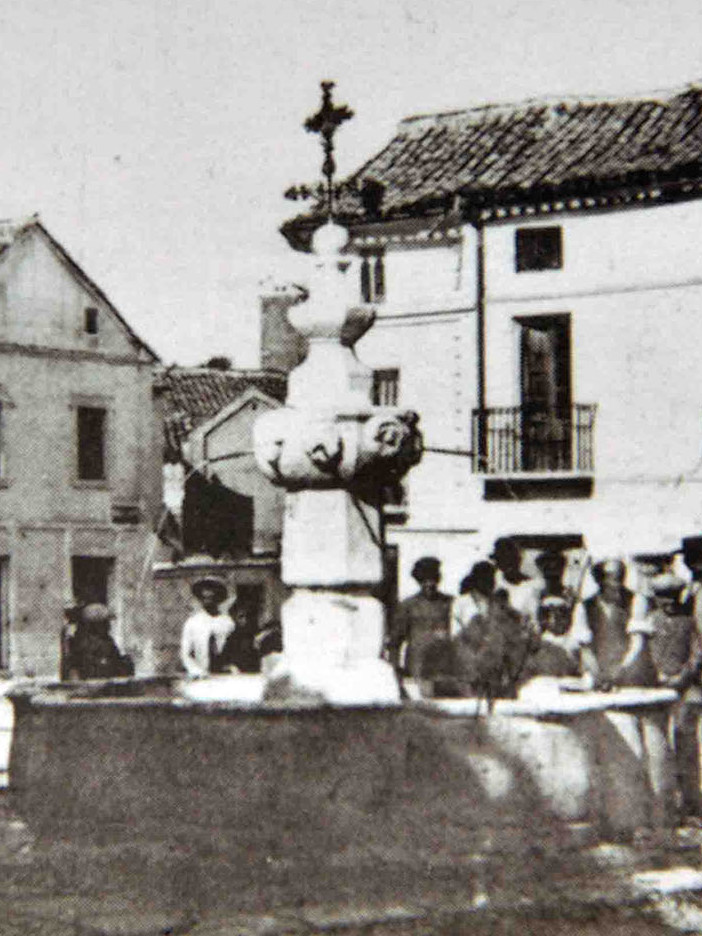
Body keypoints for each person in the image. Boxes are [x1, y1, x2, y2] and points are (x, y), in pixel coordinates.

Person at [646, 572, 702, 819]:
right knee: (659, 748)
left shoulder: (689, 622)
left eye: (671, 597)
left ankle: (691, 801)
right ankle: (664, 804)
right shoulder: (649, 622)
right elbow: (644, 653)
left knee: (686, 745)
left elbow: (696, 655)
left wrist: (681, 678)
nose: (667, 603)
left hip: (684, 691)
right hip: (656, 690)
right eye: (662, 598)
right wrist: (656, 675)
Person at [575, 559, 657, 688]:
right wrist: (598, 673)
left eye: (620, 576)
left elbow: (637, 642)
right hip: (597, 670)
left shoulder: (636, 600)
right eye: (612, 577)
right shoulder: (585, 606)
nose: (618, 582)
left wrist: (620, 670)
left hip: (629, 669)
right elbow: (584, 646)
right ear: (599, 579)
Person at [387, 556, 452, 687]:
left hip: (445, 668)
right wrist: (395, 671)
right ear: (418, 580)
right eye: (424, 580)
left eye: (433, 579)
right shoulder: (408, 605)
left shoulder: (448, 603)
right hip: (417, 667)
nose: (429, 584)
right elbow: (395, 642)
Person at [180, 577, 235, 677]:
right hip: (199, 677)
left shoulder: (228, 623)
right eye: (204, 591)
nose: (208, 594)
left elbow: (232, 652)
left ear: (219, 596)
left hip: (223, 678)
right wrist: (196, 671)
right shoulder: (192, 623)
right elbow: (185, 655)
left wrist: (231, 668)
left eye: (212, 590)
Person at [70, 603, 134, 680]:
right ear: (96, 625)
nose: (108, 626)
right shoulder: (87, 643)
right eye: (105, 623)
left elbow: (115, 657)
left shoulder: (107, 640)